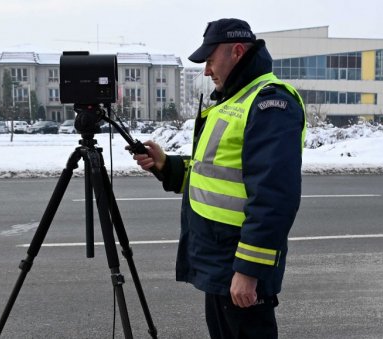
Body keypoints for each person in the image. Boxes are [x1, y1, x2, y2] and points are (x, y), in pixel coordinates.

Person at [130, 18, 306, 339]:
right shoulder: (233, 101)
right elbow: (212, 175)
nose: (207, 70)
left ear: (237, 52)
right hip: (220, 262)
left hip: (237, 265)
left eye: (210, 60)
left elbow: (274, 197)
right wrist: (166, 165)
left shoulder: (270, 104)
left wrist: (248, 271)